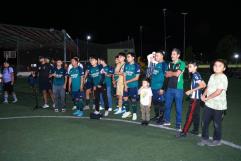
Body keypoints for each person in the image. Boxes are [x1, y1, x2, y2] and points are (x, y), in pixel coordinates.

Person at [198, 59, 228, 146]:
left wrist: (207, 98)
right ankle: (204, 139)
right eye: (215, 65)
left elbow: (218, 92)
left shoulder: (223, 77)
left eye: (220, 66)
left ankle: (217, 140)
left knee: (216, 124)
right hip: (209, 104)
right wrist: (204, 95)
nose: (217, 67)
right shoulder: (212, 76)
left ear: (224, 68)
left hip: (219, 106)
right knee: (204, 122)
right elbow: (208, 87)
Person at [177, 61, 206, 137]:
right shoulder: (197, 74)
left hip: (195, 99)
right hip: (197, 99)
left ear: (195, 67)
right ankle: (195, 130)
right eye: (188, 66)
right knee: (196, 115)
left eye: (190, 66)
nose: (188, 68)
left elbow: (202, 85)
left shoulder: (195, 75)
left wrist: (191, 90)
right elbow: (205, 84)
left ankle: (184, 132)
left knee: (190, 115)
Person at [164, 48, 186, 131]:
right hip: (169, 88)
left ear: (178, 55)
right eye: (171, 54)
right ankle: (167, 121)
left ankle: (178, 124)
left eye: (173, 54)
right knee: (167, 106)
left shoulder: (182, 63)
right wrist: (169, 74)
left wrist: (171, 73)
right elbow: (166, 75)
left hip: (178, 89)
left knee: (178, 107)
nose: (172, 55)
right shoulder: (169, 64)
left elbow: (177, 74)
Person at [147, 51, 168, 123]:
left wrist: (163, 88)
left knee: (161, 103)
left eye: (157, 55)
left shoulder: (164, 65)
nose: (156, 57)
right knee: (155, 102)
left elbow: (167, 77)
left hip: (160, 88)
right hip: (153, 87)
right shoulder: (156, 64)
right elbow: (150, 75)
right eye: (155, 56)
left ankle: (161, 118)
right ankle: (157, 116)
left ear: (162, 56)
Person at [122, 52, 140, 120]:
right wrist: (125, 84)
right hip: (126, 85)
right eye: (127, 57)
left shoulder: (136, 66)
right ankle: (127, 112)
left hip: (133, 86)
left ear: (133, 57)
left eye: (129, 57)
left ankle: (134, 113)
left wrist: (127, 82)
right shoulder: (126, 65)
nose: (127, 58)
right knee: (125, 98)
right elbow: (124, 75)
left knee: (133, 100)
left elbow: (137, 78)